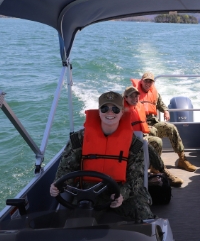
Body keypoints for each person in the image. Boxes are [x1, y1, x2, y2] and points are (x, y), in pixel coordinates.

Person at [51, 91, 153, 221]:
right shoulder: (78, 139)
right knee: (74, 223)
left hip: (123, 193)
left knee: (144, 217)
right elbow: (66, 170)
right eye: (104, 108)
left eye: (115, 109)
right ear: (99, 112)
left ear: (122, 112)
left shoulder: (135, 144)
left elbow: (135, 180)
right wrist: (57, 185)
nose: (110, 113)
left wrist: (121, 195)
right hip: (87, 193)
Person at [130, 72, 196, 172]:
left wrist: (166, 111)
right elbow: (124, 104)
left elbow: (161, 105)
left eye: (150, 81)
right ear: (141, 81)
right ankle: (155, 166)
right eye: (146, 81)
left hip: (153, 122)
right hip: (139, 125)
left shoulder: (154, 93)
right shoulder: (133, 93)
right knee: (153, 133)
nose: (148, 83)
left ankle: (182, 159)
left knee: (171, 127)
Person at [123, 86, 184, 187]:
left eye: (136, 96)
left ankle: (156, 170)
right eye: (131, 96)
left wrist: (165, 111)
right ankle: (163, 171)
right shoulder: (120, 110)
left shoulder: (138, 106)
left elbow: (142, 123)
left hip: (141, 136)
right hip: (129, 141)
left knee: (157, 141)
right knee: (148, 145)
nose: (135, 98)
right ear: (125, 98)